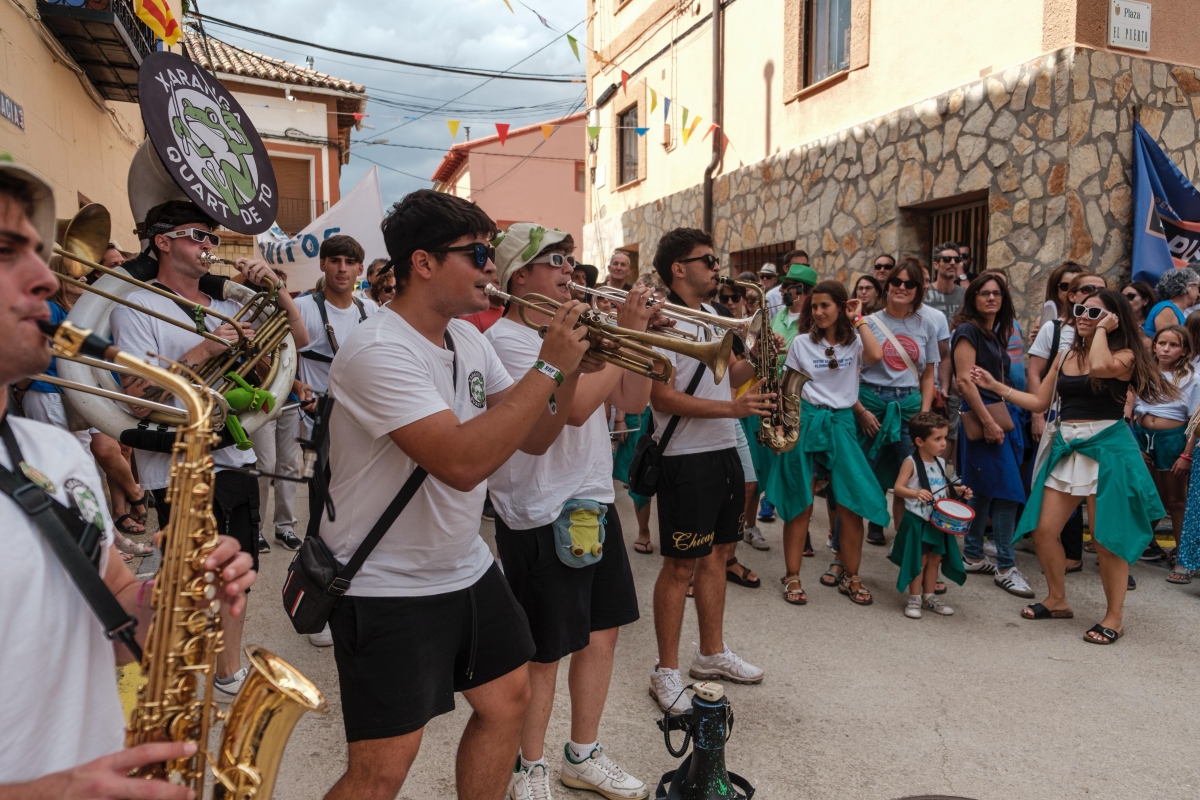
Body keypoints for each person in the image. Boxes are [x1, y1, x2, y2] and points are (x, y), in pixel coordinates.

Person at [315, 190, 593, 800]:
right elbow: (462, 464)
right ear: (423, 263)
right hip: (386, 580)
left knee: (507, 700)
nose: (492, 268)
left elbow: (538, 436)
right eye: (478, 254)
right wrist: (548, 368)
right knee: (383, 767)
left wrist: (569, 370)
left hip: (463, 565)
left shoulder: (468, 341)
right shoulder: (377, 349)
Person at [0, 157, 255, 800]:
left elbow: (113, 614)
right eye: (8, 253)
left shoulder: (52, 453)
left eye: (38, 251)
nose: (44, 279)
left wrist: (170, 598)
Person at [110, 199, 308, 702]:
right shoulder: (136, 303)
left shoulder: (226, 301)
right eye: (199, 235)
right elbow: (135, 398)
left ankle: (227, 672)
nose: (209, 247)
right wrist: (204, 351)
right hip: (176, 460)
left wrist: (274, 290)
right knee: (189, 578)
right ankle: (162, 672)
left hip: (233, 454)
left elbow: (297, 340)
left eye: (212, 239)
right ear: (162, 241)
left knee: (238, 572)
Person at [486, 223, 653, 800]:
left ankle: (582, 754)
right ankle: (527, 767)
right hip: (539, 507)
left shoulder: (578, 332)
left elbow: (630, 400)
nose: (568, 269)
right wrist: (623, 332)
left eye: (569, 258)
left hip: (592, 498)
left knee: (600, 636)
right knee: (546, 651)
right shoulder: (509, 340)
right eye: (553, 260)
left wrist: (638, 343)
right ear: (519, 276)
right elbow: (577, 408)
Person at [973, 290, 1175, 644]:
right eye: (1079, 310)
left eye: (1093, 312)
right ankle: (1057, 599)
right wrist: (996, 387)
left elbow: (1100, 368)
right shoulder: (1066, 354)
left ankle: (1114, 617)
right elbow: (1039, 400)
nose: (1082, 315)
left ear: (1114, 319)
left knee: (1106, 539)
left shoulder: (1126, 355)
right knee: (1043, 529)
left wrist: (1099, 332)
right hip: (1068, 448)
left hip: (1109, 448)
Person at [646, 228, 775, 714]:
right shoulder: (659, 323)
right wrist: (734, 413)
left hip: (722, 448)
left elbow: (731, 378)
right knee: (680, 567)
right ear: (679, 268)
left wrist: (761, 358)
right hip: (684, 456)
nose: (717, 266)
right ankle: (666, 670)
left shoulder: (718, 315)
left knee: (720, 552)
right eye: (708, 260)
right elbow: (661, 398)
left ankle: (711, 654)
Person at [766, 281, 889, 606]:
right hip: (806, 420)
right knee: (801, 502)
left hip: (842, 423)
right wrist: (782, 427)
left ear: (840, 307)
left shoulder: (854, 343)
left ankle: (852, 575)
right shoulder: (802, 343)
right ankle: (792, 575)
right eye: (815, 306)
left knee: (850, 505)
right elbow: (787, 386)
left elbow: (877, 356)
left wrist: (859, 318)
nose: (819, 312)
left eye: (825, 306)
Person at [951, 274, 1034, 598]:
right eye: (983, 293)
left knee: (984, 489)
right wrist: (987, 422)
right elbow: (964, 380)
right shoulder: (968, 330)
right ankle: (1004, 565)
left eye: (996, 293)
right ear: (973, 297)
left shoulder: (994, 332)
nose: (990, 298)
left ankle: (972, 554)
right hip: (984, 416)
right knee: (1008, 492)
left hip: (997, 414)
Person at [855, 257, 941, 547]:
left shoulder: (926, 324)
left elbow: (928, 375)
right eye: (897, 281)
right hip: (872, 404)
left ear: (918, 290)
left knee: (916, 477)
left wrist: (924, 416)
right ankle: (845, 551)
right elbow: (850, 373)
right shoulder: (868, 322)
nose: (902, 287)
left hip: (909, 407)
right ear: (887, 284)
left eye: (910, 283)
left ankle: (911, 548)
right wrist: (861, 410)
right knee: (859, 473)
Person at [890, 412, 972, 617]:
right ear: (919, 441)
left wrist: (958, 491)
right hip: (917, 520)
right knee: (919, 560)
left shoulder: (940, 463)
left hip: (936, 522)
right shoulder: (911, 462)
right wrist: (915, 493)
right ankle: (914, 599)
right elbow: (898, 488)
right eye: (938, 439)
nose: (944, 443)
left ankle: (929, 597)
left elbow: (942, 488)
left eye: (944, 437)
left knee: (935, 558)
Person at [1133, 325, 1200, 567]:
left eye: (1173, 345)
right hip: (1142, 437)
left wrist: (1186, 454)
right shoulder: (1143, 372)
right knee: (1149, 498)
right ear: (1154, 346)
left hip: (1172, 440)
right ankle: (1135, 546)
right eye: (1162, 343)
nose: (1166, 349)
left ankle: (1183, 559)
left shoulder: (1192, 378)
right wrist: (1135, 443)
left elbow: (1196, 420)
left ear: (1184, 351)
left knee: (1176, 500)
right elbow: (1131, 407)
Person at [1146, 268, 1200, 337]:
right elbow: (1169, 340)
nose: (1199, 294)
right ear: (1188, 286)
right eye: (1198, 287)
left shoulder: (1172, 309)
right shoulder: (1167, 309)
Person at [1037, 261, 1086, 330]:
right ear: (1054, 288)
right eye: (1065, 286)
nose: (1070, 291)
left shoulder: (1085, 319)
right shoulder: (1043, 320)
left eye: (1075, 286)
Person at [764, 252, 809, 319]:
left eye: (805, 266)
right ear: (785, 268)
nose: (801, 270)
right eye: (796, 266)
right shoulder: (771, 296)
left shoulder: (814, 294)